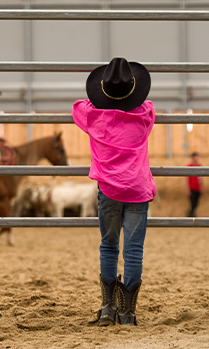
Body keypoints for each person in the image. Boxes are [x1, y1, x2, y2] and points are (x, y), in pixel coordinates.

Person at [72, 57, 155, 326]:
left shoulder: (93, 116)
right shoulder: (143, 115)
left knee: (108, 246)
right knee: (133, 251)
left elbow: (78, 106)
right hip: (138, 190)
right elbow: (149, 105)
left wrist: (99, 101)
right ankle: (128, 313)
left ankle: (107, 308)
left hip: (108, 189)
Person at [187, 152, 202, 217]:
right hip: (192, 188)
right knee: (193, 202)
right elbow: (187, 179)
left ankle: (191, 213)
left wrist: (202, 187)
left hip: (197, 188)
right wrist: (187, 189)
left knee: (196, 203)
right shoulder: (189, 166)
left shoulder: (199, 166)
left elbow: (201, 178)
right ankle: (191, 214)